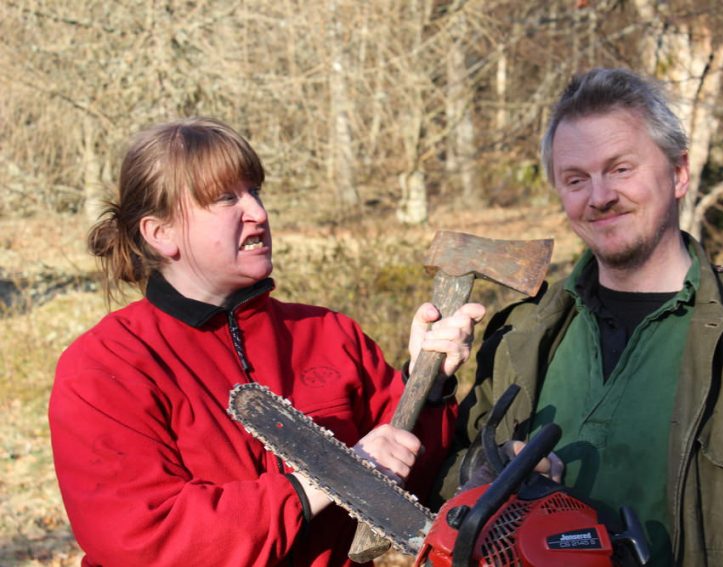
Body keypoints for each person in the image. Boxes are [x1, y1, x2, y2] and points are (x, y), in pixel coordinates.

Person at [433, 68, 723, 566]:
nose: (600, 196)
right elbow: (446, 483)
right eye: (576, 179)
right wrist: (483, 474)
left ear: (679, 173)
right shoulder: (521, 335)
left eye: (620, 169)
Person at [49, 117, 485, 567]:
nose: (257, 212)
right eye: (226, 198)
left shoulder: (329, 334)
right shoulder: (107, 366)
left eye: (254, 191)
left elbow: (417, 488)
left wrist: (428, 383)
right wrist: (331, 478)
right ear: (161, 234)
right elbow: (144, 538)